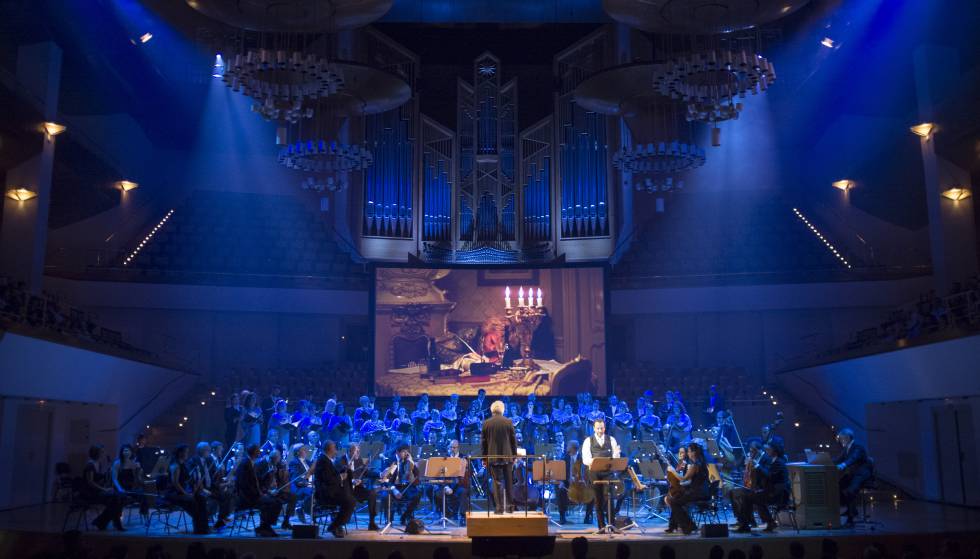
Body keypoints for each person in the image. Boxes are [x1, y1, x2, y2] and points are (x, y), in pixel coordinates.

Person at [733, 438, 788, 533]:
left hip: (777, 494)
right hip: (771, 491)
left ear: (775, 450)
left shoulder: (778, 462)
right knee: (752, 497)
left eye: (769, 449)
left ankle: (746, 524)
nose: (767, 451)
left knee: (749, 497)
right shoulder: (775, 460)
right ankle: (766, 522)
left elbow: (769, 476)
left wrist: (757, 466)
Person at [582, 418, 621, 530]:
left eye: (602, 428)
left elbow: (616, 456)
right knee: (598, 499)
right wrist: (596, 462)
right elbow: (586, 459)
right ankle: (601, 526)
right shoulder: (588, 441)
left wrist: (616, 455)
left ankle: (612, 525)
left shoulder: (611, 439)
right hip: (594, 473)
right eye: (598, 428)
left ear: (605, 428)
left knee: (609, 498)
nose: (600, 430)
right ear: (594, 428)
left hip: (608, 472)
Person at [235, 444, 282, 537]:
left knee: (276, 501)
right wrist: (259, 494)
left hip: (254, 494)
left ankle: (264, 526)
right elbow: (245, 485)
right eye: (258, 451)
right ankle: (265, 527)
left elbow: (257, 481)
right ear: (253, 452)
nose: (260, 452)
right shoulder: (245, 464)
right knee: (274, 503)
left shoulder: (251, 462)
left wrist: (268, 475)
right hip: (247, 497)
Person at [664, 441, 709, 534]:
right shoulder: (701, 463)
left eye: (688, 451)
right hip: (702, 492)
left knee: (674, 502)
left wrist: (673, 471)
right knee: (675, 499)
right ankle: (673, 526)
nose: (687, 453)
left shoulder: (695, 465)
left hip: (697, 493)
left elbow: (683, 478)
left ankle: (688, 526)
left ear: (694, 452)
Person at [481, 400, 517, 514]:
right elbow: (513, 441)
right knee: (509, 482)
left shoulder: (486, 423)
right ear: (502, 410)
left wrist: (484, 458)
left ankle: (499, 508)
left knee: (497, 482)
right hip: (507, 457)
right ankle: (511, 507)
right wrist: (514, 456)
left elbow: (483, 443)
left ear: (492, 410)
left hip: (493, 457)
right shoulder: (508, 422)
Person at [313, 440, 355, 538]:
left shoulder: (327, 460)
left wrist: (344, 471)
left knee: (351, 499)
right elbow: (327, 479)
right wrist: (340, 477)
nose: (336, 451)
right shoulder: (323, 460)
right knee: (350, 501)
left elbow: (332, 474)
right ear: (330, 449)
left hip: (332, 491)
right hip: (326, 494)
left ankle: (337, 524)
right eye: (335, 448)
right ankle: (335, 525)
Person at [166, 445, 210, 535]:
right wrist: (186, 493)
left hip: (181, 492)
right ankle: (198, 528)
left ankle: (204, 527)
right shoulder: (176, 465)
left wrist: (194, 487)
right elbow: (175, 483)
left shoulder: (183, 465)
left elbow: (186, 480)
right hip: (174, 493)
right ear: (180, 453)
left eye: (187, 451)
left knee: (201, 498)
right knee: (193, 501)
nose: (187, 454)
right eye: (185, 452)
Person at [834, 428, 873, 525]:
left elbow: (853, 458)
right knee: (837, 486)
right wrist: (823, 461)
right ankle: (852, 510)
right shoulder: (847, 448)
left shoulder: (858, 447)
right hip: (853, 473)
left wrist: (844, 465)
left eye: (842, 438)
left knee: (850, 490)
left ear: (847, 438)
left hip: (862, 474)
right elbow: (838, 459)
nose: (840, 441)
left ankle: (851, 518)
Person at [82, 445, 124, 531]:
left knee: (117, 499)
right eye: (101, 452)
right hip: (90, 493)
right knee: (116, 500)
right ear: (96, 453)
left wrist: (106, 484)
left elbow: (98, 480)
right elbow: (90, 482)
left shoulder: (98, 463)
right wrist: (104, 489)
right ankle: (110, 522)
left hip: (97, 491)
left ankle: (102, 522)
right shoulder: (90, 465)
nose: (103, 453)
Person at [380, 444, 422, 525]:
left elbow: (417, 476)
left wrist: (412, 463)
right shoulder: (390, 461)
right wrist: (394, 490)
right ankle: (389, 519)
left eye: (407, 452)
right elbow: (385, 480)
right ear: (397, 452)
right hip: (392, 486)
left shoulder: (408, 461)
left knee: (417, 494)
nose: (406, 454)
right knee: (385, 496)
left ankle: (406, 516)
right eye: (403, 452)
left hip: (405, 486)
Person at [342, 443, 381, 530]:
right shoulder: (341, 460)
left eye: (359, 451)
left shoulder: (358, 460)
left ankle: (372, 522)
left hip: (357, 490)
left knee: (372, 494)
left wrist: (380, 474)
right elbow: (338, 477)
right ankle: (342, 520)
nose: (358, 453)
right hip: (345, 490)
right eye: (356, 451)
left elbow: (366, 472)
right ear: (349, 451)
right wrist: (352, 481)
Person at [557, 440, 594, 525]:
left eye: (568, 445)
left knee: (592, 494)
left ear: (573, 448)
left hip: (581, 484)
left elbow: (587, 472)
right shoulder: (564, 458)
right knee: (561, 491)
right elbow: (561, 471)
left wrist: (584, 479)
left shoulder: (583, 459)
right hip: (568, 484)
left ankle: (588, 516)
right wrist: (562, 481)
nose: (567, 447)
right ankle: (562, 516)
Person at [110, 444, 149, 518]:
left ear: (131, 452)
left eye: (128, 450)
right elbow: (114, 479)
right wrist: (120, 489)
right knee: (119, 499)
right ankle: (117, 519)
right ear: (121, 452)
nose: (126, 452)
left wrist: (140, 469)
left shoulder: (134, 463)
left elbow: (137, 478)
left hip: (131, 488)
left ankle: (145, 516)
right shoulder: (117, 463)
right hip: (120, 487)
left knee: (143, 495)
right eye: (124, 450)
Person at [288, 443, 315, 523]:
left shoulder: (308, 462)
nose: (306, 451)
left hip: (310, 485)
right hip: (300, 487)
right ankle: (304, 509)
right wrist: (307, 482)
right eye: (303, 449)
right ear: (297, 452)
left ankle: (305, 509)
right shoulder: (294, 463)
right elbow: (296, 478)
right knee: (313, 492)